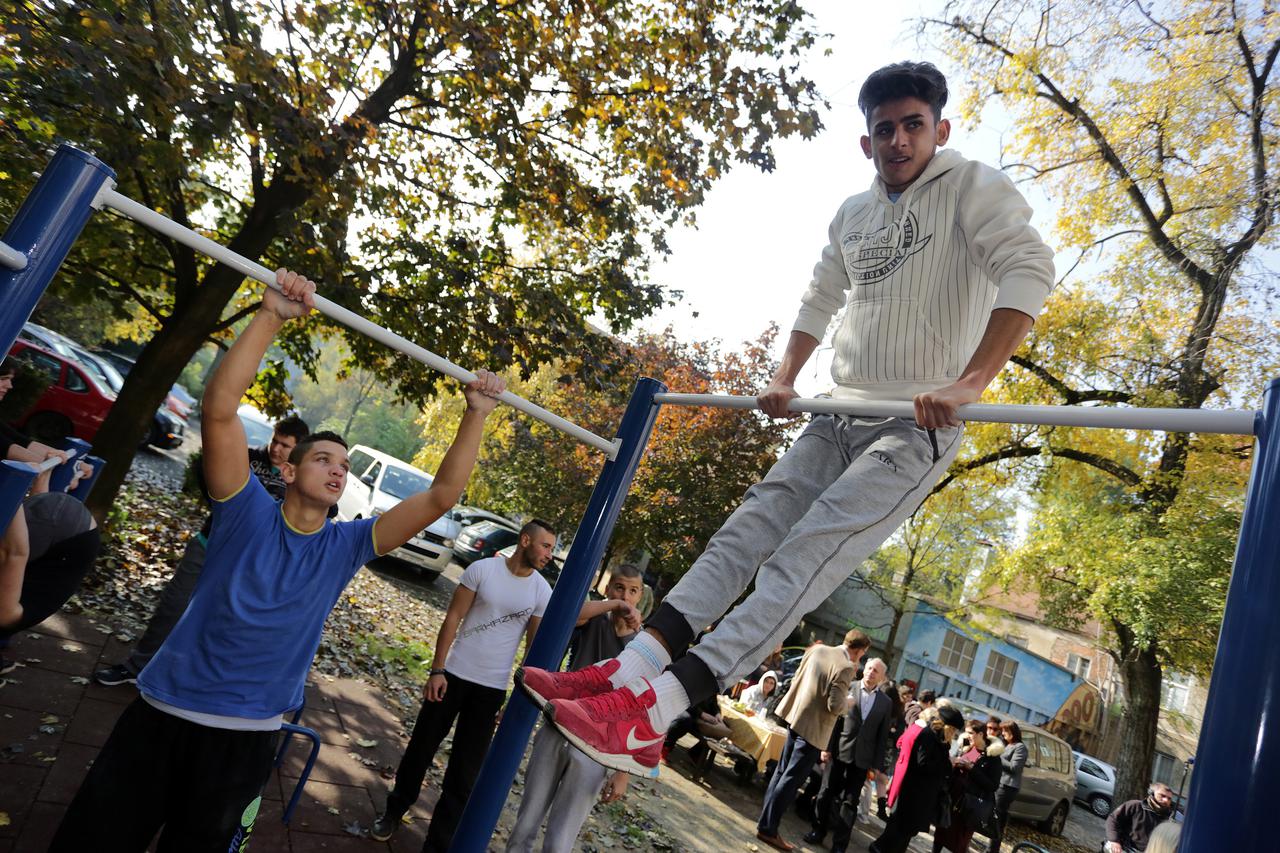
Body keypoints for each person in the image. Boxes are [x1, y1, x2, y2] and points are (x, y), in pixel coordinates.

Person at [520, 58, 1055, 781]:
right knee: (748, 529)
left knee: (803, 551)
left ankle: (657, 711)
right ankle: (628, 669)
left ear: (940, 129)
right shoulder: (854, 211)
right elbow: (818, 296)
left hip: (912, 425)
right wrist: (784, 378)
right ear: (867, 142)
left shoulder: (971, 187)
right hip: (837, 412)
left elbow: (1028, 266)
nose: (899, 140)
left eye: (914, 126)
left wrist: (971, 382)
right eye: (885, 129)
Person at [50, 269, 506, 852]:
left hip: (248, 735)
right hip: (164, 712)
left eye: (343, 464)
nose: (338, 469)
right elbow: (218, 413)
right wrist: (269, 315)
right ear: (288, 470)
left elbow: (442, 496)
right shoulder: (245, 512)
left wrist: (476, 413)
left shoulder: (346, 547)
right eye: (323, 458)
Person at [371, 518, 558, 847]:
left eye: (552, 549)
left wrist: (517, 697)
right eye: (546, 546)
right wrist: (437, 670)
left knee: (463, 776)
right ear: (526, 541)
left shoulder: (542, 590)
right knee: (420, 752)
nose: (549, 554)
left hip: (491, 690)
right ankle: (393, 812)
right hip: (453, 676)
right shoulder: (483, 570)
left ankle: (438, 844)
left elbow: (532, 649)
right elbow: (454, 617)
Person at [93, 414, 312, 686]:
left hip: (248, 564)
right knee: (172, 607)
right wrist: (215, 501)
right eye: (275, 441)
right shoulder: (247, 459)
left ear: (299, 449)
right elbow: (204, 465)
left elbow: (321, 512)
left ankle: (182, 679)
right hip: (209, 545)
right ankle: (137, 667)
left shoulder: (300, 480)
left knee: (218, 625)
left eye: (285, 446)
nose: (276, 449)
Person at [505, 565, 644, 853]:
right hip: (559, 726)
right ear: (608, 589)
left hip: (596, 747)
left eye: (633, 591)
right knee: (526, 823)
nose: (626, 596)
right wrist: (615, 605)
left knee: (560, 840)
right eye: (619, 587)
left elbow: (639, 710)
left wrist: (623, 771)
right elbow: (571, 610)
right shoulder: (594, 621)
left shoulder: (642, 646)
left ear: (641, 596)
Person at [0, 357, 100, 666]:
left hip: (69, 530)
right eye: (4, 377)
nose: (11, 384)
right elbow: (16, 552)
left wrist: (46, 467)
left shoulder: (8, 611)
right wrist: (50, 464)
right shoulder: (7, 612)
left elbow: (16, 552)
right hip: (68, 530)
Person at [746, 630, 867, 851]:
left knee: (781, 774)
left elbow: (799, 678)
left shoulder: (818, 649)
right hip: (814, 730)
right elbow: (835, 705)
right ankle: (768, 829)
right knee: (790, 780)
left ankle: (766, 824)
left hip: (795, 718)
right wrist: (848, 703)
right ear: (859, 651)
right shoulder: (846, 667)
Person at [806, 658, 892, 853]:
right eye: (869, 668)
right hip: (838, 751)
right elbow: (834, 720)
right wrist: (826, 748)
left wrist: (877, 764)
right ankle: (817, 831)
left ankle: (839, 845)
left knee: (850, 803)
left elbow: (882, 735)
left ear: (882, 677)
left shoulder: (885, 702)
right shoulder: (849, 688)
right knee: (826, 793)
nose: (871, 672)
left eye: (876, 671)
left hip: (862, 759)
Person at [870, 704, 962, 853]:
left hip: (924, 794)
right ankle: (879, 849)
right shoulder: (928, 735)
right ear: (948, 727)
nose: (955, 734)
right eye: (954, 730)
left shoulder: (940, 739)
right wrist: (945, 764)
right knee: (901, 830)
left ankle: (880, 848)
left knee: (907, 832)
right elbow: (922, 763)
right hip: (914, 793)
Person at [932, 725, 1002, 853]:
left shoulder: (993, 758)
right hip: (952, 799)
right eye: (966, 732)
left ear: (981, 734)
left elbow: (992, 785)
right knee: (941, 833)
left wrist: (972, 769)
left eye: (970, 733)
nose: (966, 735)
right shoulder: (967, 748)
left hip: (969, 805)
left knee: (959, 840)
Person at [985, 720, 1027, 853]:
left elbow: (1014, 768)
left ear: (1014, 732)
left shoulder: (1020, 747)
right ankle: (992, 848)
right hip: (999, 783)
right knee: (995, 818)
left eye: (1006, 731)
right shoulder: (1007, 745)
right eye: (1002, 731)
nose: (1003, 734)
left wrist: (997, 756)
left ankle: (992, 849)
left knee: (998, 819)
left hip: (1007, 787)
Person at [1104, 784, 1175, 852]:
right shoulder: (1135, 806)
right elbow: (1113, 820)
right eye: (1162, 795)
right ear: (1151, 793)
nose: (1166, 800)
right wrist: (1114, 841)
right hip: (1123, 848)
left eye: (1169, 798)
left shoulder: (1169, 819)